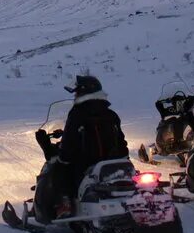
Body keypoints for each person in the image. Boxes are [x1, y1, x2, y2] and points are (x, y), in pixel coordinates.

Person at [37, 74, 128, 219]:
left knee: (59, 167)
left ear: (83, 92)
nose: (75, 96)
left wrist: (52, 151)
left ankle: (64, 204)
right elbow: (122, 144)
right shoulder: (111, 114)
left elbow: (68, 149)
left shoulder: (77, 114)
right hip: (114, 166)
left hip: (86, 167)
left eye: (77, 93)